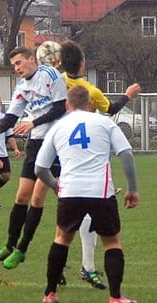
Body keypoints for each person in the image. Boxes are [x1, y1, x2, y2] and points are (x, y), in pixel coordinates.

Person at [35, 85, 140, 303]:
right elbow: (126, 154)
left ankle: (50, 293)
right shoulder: (105, 123)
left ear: (66, 104)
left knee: (62, 238)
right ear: (90, 104)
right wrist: (132, 188)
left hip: (70, 190)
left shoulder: (58, 127)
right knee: (111, 242)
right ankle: (115, 297)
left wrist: (55, 185)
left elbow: (39, 169)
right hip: (100, 191)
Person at [58, 40, 141, 289]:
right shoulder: (88, 90)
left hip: (59, 151)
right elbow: (111, 109)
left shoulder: (55, 81)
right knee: (92, 214)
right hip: (89, 159)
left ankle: (62, 270)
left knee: (65, 213)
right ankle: (87, 267)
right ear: (82, 64)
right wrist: (128, 94)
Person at [0, 46, 67, 269]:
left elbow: (61, 107)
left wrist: (33, 123)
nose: (17, 68)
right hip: (35, 142)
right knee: (21, 195)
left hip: (55, 141)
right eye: (13, 65)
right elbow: (12, 114)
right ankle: (9, 246)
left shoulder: (50, 75)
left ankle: (22, 248)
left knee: (37, 198)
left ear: (32, 59)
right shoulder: (21, 86)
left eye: (19, 63)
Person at [0, 95, 20, 192]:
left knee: (6, 176)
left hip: (2, 152)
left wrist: (15, 149)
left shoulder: (4, 119)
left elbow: (9, 136)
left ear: (1, 103)